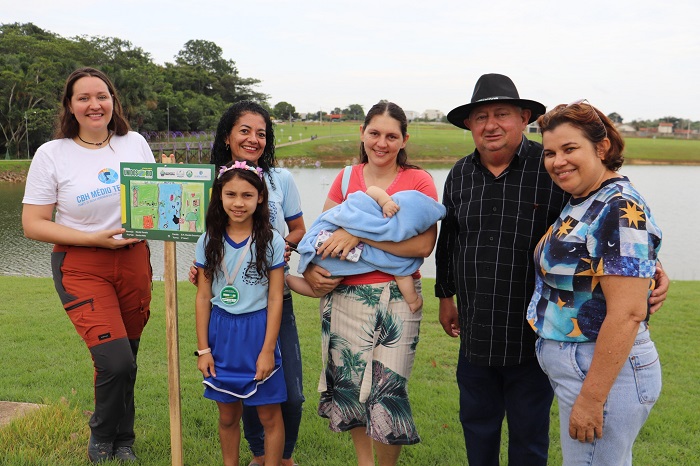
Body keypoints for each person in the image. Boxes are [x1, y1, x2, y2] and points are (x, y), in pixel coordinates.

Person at [434, 73, 669, 466]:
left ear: (523, 117)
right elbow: (449, 241)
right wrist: (445, 294)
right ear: (469, 126)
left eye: (502, 114)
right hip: (478, 330)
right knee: (477, 426)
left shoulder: (555, 174)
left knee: (530, 439)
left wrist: (652, 269)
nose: (490, 124)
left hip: (534, 341)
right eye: (480, 117)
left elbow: (624, 232)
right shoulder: (460, 174)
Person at [21, 67, 155, 463]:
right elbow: (32, 224)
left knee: (128, 358)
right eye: (84, 98)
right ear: (70, 106)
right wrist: (94, 239)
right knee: (113, 359)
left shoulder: (135, 143)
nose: (94, 104)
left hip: (133, 262)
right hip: (80, 264)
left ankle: (123, 439)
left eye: (102, 96)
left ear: (113, 101)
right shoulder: (53, 154)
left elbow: (155, 204)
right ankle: (101, 437)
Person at [301, 101, 439, 466]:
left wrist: (359, 236)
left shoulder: (418, 180)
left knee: (388, 389)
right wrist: (313, 268)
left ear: (404, 139)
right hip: (344, 295)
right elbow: (324, 230)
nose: (382, 142)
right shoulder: (346, 178)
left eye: (391, 136)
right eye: (374, 133)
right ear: (362, 134)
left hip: (397, 298)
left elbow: (424, 245)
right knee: (351, 387)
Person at [528, 101, 662, 464]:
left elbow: (628, 314)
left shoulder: (617, 205)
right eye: (550, 152)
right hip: (581, 367)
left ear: (601, 148)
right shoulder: (584, 199)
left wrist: (591, 398)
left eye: (570, 149)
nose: (558, 161)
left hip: (601, 373)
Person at [190, 101, 306, 466]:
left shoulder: (280, 179)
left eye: (261, 133)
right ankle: (257, 455)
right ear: (228, 135)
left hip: (268, 300)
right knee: (233, 405)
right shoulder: (212, 182)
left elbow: (300, 230)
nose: (253, 139)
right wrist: (205, 271)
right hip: (225, 312)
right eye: (245, 130)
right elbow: (206, 243)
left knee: (289, 393)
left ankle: (280, 458)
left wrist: (277, 253)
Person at [195, 160, 287, 466]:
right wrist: (204, 350)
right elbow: (203, 297)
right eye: (231, 194)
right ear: (219, 196)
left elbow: (275, 299)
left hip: (258, 331)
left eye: (247, 195)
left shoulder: (271, 240)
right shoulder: (208, 240)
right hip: (221, 334)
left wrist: (266, 351)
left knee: (269, 416)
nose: (238, 202)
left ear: (260, 197)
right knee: (227, 416)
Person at [287, 185, 446, 312]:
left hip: (333, 262)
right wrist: (413, 300)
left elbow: (423, 249)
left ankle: (284, 279)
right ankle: (284, 279)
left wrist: (359, 234)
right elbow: (369, 192)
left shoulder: (419, 182)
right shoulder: (384, 205)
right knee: (317, 290)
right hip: (329, 248)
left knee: (320, 290)